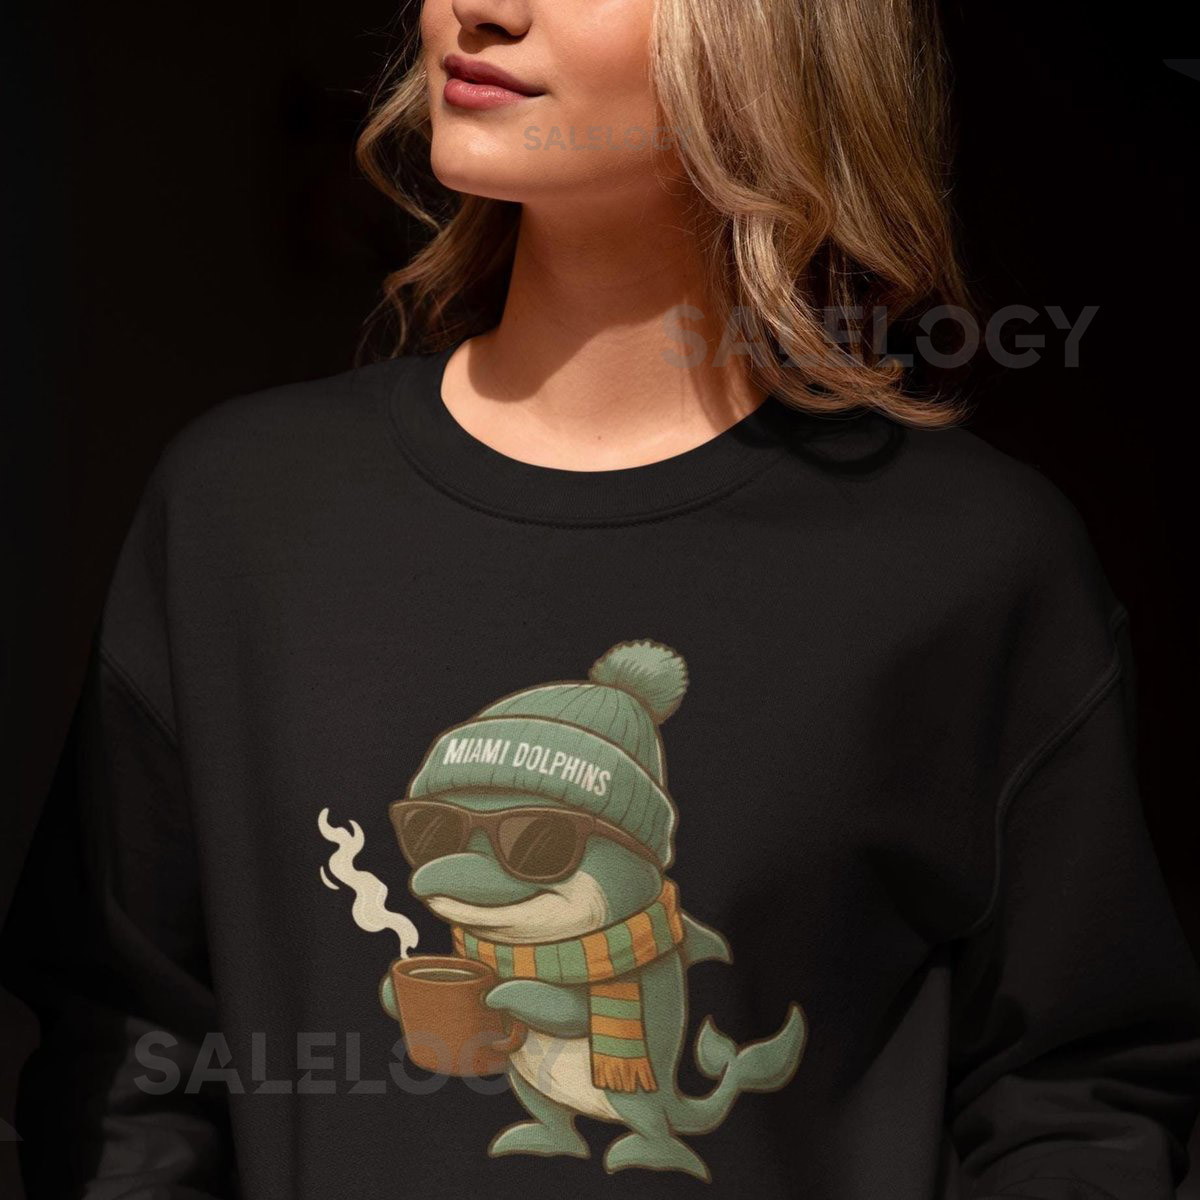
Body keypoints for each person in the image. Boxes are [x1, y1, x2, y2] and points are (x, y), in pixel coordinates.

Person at [4, 0, 1199, 1196]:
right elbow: (123, 1070)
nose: (485, 7)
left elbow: (1077, 1096)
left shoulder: (964, 560)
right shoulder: (245, 514)